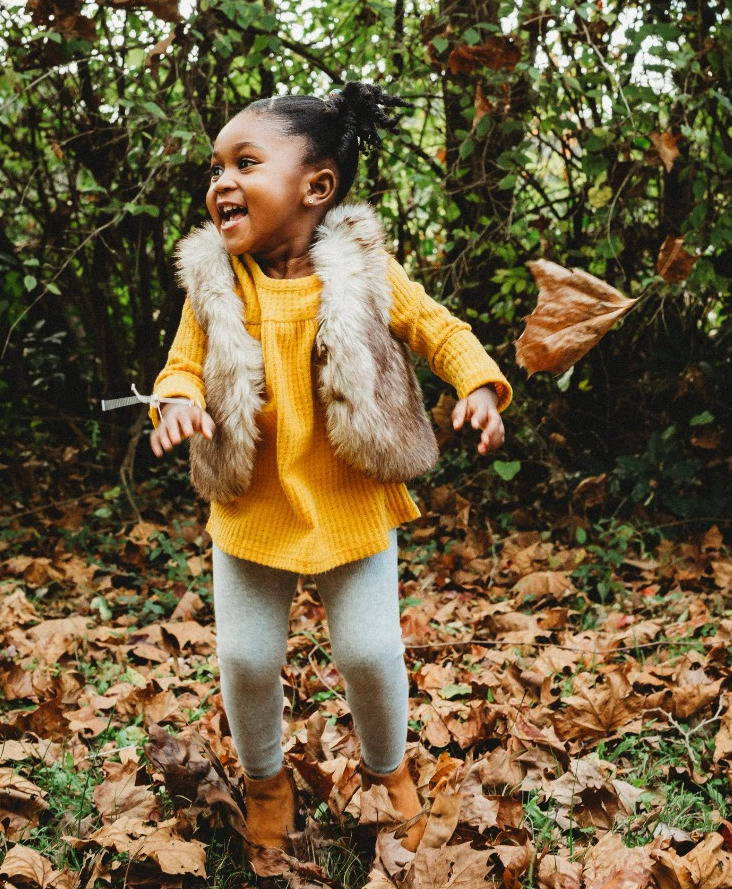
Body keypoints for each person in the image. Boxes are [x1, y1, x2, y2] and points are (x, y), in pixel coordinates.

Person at [149, 82, 512, 865]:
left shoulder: (362, 269)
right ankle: (267, 783)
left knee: (370, 651)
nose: (221, 182)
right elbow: (180, 367)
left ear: (316, 186)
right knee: (246, 657)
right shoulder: (217, 284)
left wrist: (477, 383)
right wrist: (175, 405)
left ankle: (389, 774)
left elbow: (434, 326)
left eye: (246, 161)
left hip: (350, 499)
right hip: (251, 502)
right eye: (216, 167)